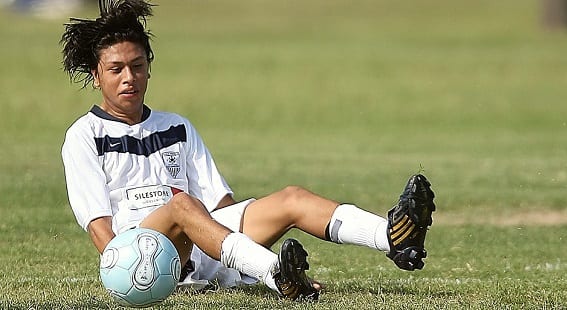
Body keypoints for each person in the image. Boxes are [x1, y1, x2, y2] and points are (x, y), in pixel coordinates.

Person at [60, 0, 436, 302]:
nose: (129, 77)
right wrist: (129, 277)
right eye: (116, 69)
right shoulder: (84, 135)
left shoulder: (176, 126)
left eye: (138, 66)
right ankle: (276, 275)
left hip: (202, 244)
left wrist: (228, 251)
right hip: (138, 262)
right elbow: (99, 228)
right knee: (181, 205)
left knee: (291, 198)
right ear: (96, 76)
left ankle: (393, 238)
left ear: (149, 69)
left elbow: (220, 206)